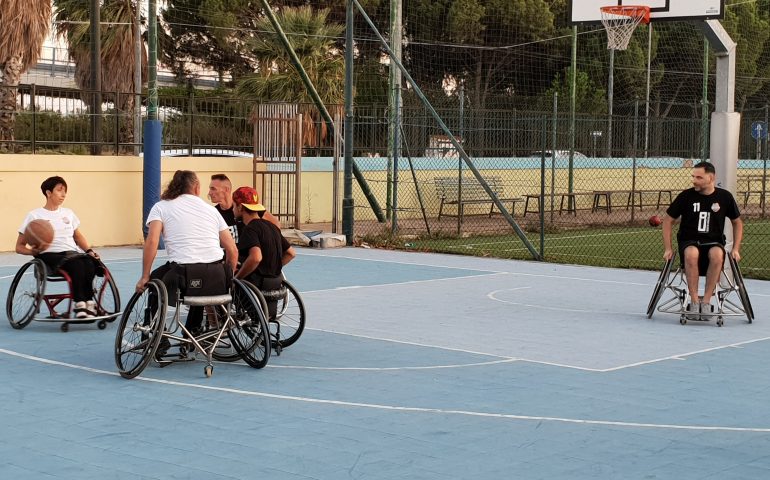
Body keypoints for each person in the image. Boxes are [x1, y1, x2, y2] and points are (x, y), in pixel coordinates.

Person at [137, 170, 238, 341]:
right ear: (197, 188)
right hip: (217, 274)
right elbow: (232, 250)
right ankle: (193, 329)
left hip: (184, 273)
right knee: (199, 284)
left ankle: (155, 335)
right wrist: (229, 277)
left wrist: (145, 276)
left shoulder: (161, 207)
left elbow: (152, 242)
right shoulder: (211, 211)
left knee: (155, 282)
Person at [662, 161, 743, 318]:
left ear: (711, 178)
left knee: (717, 255)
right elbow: (667, 221)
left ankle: (706, 302)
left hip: (714, 242)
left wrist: (736, 249)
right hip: (689, 240)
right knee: (691, 253)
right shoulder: (686, 196)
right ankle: (693, 301)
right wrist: (668, 248)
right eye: (693, 176)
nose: (694, 180)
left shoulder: (724, 197)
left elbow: (737, 222)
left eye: (699, 177)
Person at [16, 176, 101, 319]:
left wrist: (89, 251)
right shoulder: (34, 216)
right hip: (49, 255)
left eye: (65, 191)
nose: (63, 195)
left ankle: (89, 302)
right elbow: (19, 247)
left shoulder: (68, 213)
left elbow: (78, 237)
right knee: (77, 265)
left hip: (71, 253)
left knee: (90, 262)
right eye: (59, 191)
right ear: (49, 193)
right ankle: (80, 303)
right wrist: (32, 251)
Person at [231, 186, 295, 319]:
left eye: (234, 206)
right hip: (275, 282)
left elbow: (256, 257)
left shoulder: (250, 229)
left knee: (223, 280)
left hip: (257, 283)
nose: (232, 209)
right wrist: (274, 267)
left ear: (240, 207)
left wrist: (238, 277)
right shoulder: (272, 227)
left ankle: (219, 322)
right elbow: (291, 253)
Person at [209, 174, 281, 242]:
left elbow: (276, 223)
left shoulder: (246, 207)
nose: (209, 193)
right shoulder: (213, 213)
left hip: (250, 254)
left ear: (226, 189)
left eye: (213, 189)